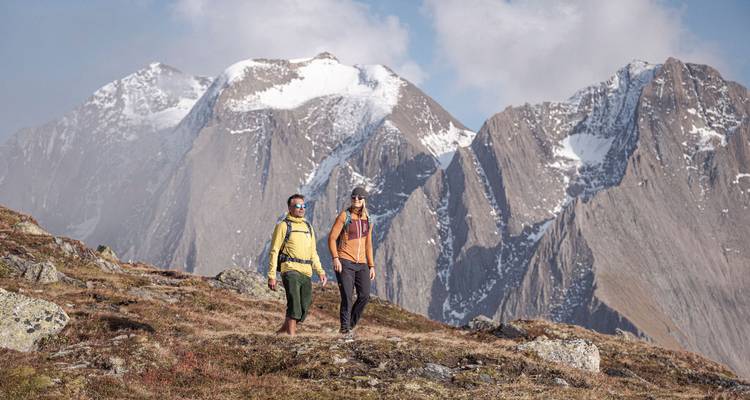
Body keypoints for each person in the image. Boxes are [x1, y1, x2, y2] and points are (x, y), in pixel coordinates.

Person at [268, 193, 327, 336]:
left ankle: (282, 331)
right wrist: (272, 275)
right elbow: (274, 250)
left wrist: (320, 271)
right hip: (290, 270)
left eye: (303, 206)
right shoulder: (283, 226)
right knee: (294, 303)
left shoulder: (308, 227)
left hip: (306, 272)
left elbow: (313, 252)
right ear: (290, 208)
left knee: (303, 308)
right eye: (297, 206)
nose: (301, 209)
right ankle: (291, 338)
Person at [328, 186, 376, 335]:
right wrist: (336, 258)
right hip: (345, 261)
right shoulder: (344, 216)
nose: (356, 200)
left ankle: (350, 325)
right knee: (347, 297)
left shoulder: (368, 219)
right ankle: (345, 329)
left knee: (364, 296)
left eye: (359, 198)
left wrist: (371, 265)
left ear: (364, 201)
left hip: (362, 264)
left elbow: (368, 244)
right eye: (354, 197)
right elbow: (332, 238)